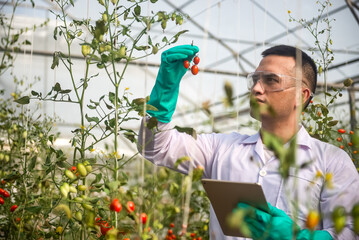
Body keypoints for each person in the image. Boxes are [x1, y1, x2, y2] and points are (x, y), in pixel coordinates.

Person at [137, 45, 359, 239]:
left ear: (302, 96)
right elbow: (156, 147)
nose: (256, 88)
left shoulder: (332, 162)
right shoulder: (221, 148)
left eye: (271, 80)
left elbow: (349, 232)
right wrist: (162, 98)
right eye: (255, 79)